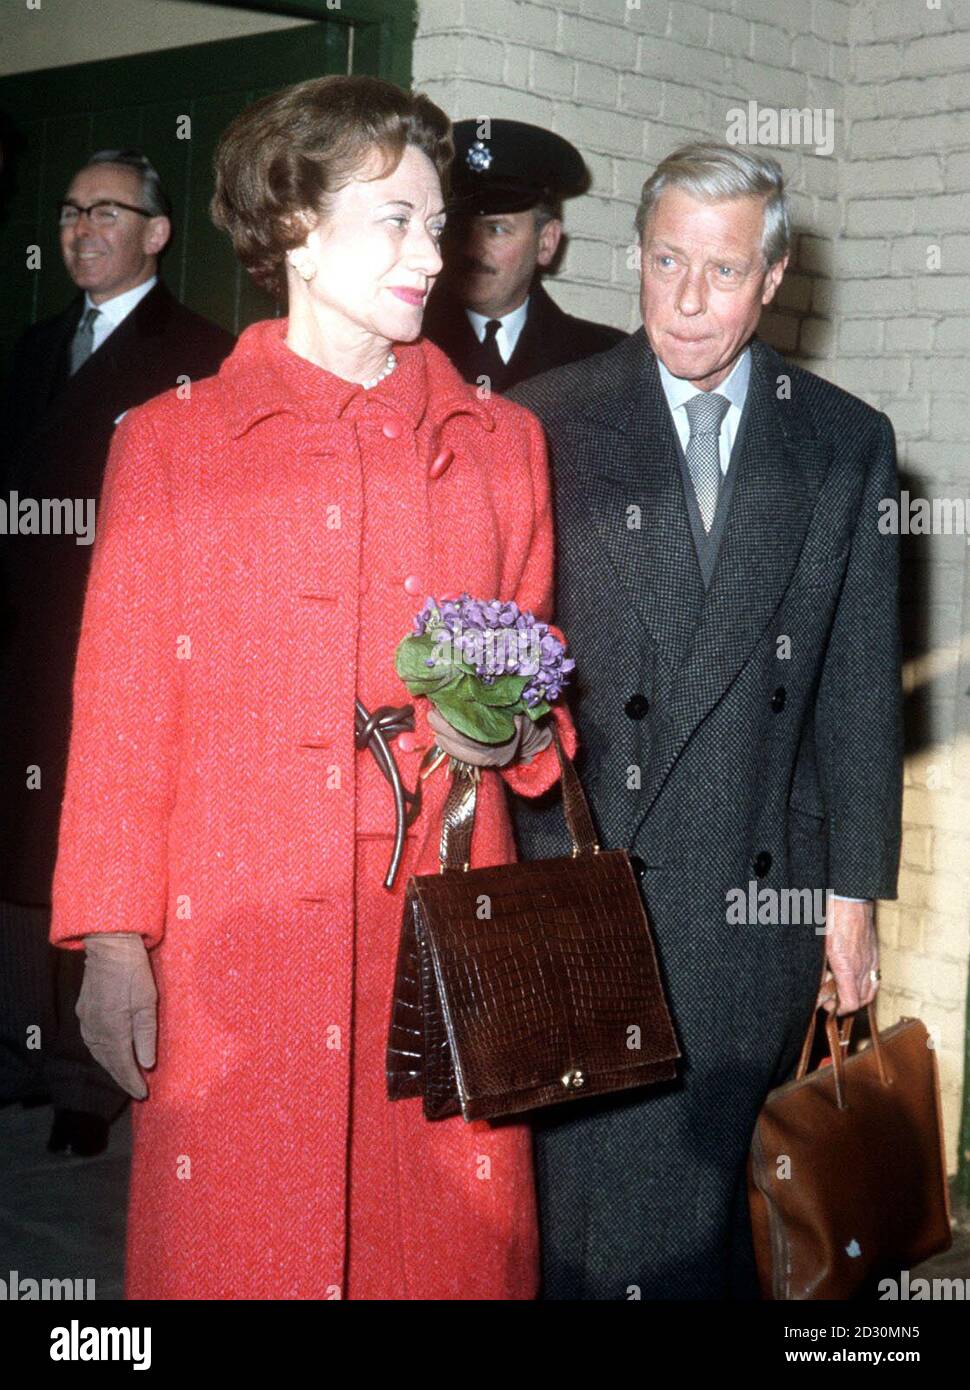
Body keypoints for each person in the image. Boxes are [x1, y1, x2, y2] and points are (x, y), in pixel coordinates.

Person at [48, 75, 574, 1301]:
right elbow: (122, 710)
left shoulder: (499, 444)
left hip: (445, 923)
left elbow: (544, 692)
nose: (431, 252)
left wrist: (508, 729)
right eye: (394, 217)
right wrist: (115, 944)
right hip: (238, 924)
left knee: (444, 1247)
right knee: (240, 1240)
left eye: (438, 222)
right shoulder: (168, 442)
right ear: (293, 224)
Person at [511, 143, 903, 1300]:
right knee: (588, 1227)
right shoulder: (543, 421)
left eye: (722, 271)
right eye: (666, 260)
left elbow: (855, 685)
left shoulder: (841, 439)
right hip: (584, 899)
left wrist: (852, 898)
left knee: (711, 1222)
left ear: (772, 278)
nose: (687, 299)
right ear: (633, 256)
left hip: (755, 899)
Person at [0, 150, 234, 1156]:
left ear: (157, 232)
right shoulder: (32, 347)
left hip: (120, 648)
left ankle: (88, 1088)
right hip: (20, 646)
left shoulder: (202, 357)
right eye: (68, 210)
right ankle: (16, 1051)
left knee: (100, 860)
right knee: (16, 861)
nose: (81, 227)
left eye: (107, 209)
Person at [423, 119, 624, 393]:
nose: (472, 249)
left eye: (496, 229)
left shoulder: (601, 359)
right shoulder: (405, 343)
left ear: (546, 243)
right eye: (461, 228)